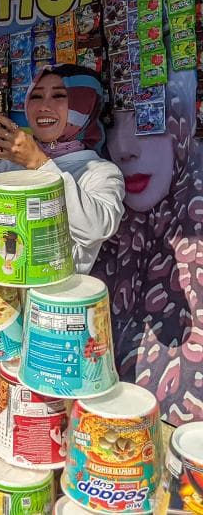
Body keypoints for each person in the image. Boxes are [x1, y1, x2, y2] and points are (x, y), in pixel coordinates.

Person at [0, 64, 125, 275]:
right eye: (36, 97)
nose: (44, 106)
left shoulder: (101, 172)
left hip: (47, 302)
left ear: (84, 104)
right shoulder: (8, 166)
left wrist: (40, 164)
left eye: (59, 96)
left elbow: (95, 229)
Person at [93, 68, 202, 424]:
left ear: (181, 128)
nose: (124, 148)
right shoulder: (108, 226)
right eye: (113, 125)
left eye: (149, 123)